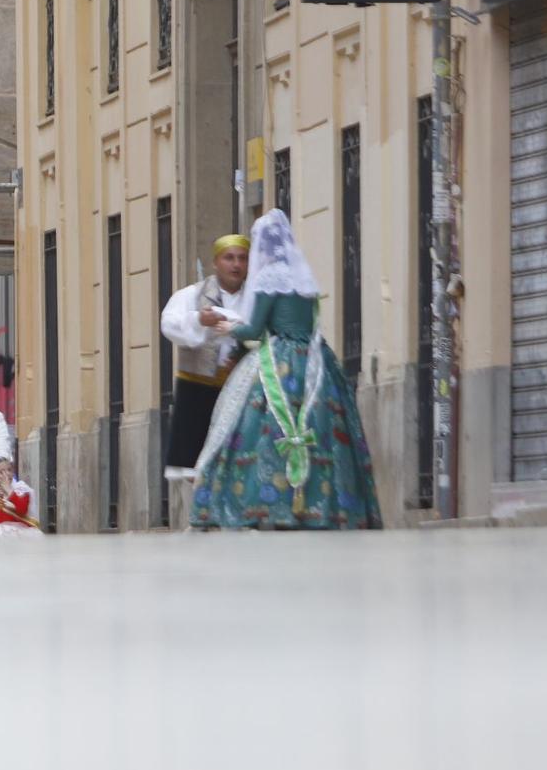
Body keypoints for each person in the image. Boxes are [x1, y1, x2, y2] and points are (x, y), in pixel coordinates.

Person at [191, 209, 384, 530]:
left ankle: (269, 506)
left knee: (258, 431)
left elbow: (254, 330)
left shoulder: (269, 282)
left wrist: (227, 328)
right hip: (316, 361)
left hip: (278, 363)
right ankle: (327, 506)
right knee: (323, 430)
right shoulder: (305, 281)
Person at [159, 231, 252, 478]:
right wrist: (199, 319)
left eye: (242, 258)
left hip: (241, 385)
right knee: (194, 461)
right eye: (229, 258)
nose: (236, 265)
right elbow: (169, 323)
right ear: (216, 262)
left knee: (239, 456)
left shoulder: (255, 297)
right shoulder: (192, 294)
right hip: (200, 383)